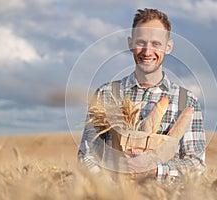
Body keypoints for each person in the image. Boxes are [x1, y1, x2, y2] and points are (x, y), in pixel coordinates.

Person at [78, 8, 206, 184]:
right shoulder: (106, 95)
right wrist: (112, 188)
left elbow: (197, 166)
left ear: (168, 47)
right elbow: (87, 157)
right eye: (141, 42)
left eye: (156, 44)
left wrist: (155, 170)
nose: (147, 51)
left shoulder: (186, 101)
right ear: (130, 43)